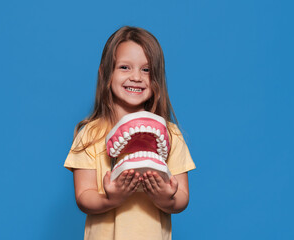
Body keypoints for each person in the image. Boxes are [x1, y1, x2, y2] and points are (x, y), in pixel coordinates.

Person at [64, 26, 196, 240]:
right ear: (105, 73)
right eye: (125, 67)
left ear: (157, 79)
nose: (136, 77)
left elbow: (182, 198)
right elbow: (83, 196)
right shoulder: (90, 134)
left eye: (146, 70)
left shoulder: (170, 135)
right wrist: (110, 199)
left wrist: (166, 198)